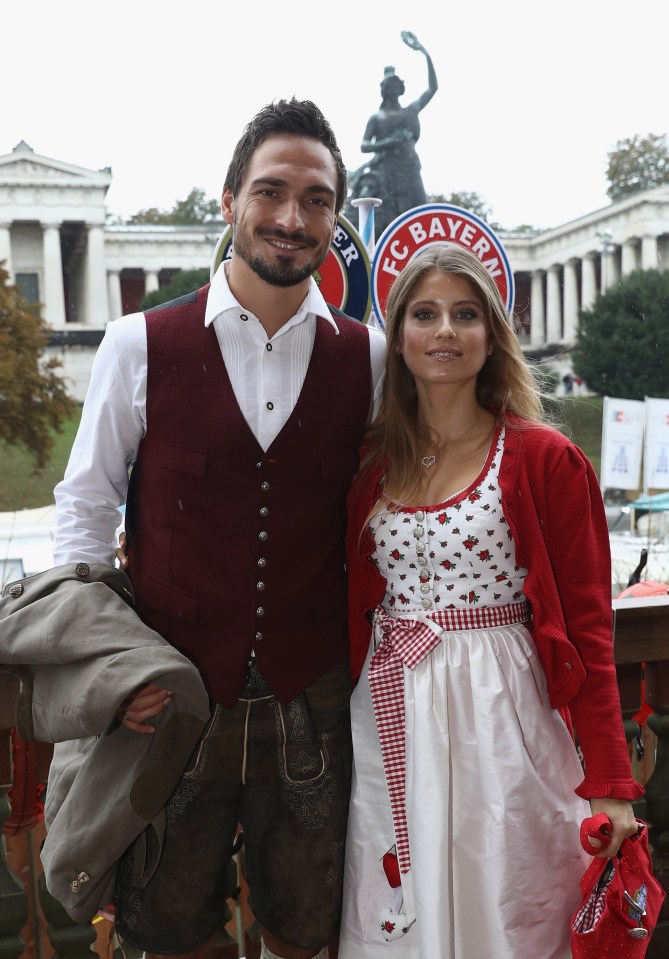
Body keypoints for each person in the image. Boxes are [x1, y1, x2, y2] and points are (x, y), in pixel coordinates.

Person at [53, 98, 386, 959]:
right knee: (168, 937)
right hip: (169, 701)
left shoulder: (372, 360)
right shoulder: (136, 345)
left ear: (333, 219)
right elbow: (85, 514)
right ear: (230, 196)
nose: (290, 217)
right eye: (271, 191)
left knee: (306, 935)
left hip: (311, 701)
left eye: (316, 200)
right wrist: (106, 672)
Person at [338, 244, 641, 958]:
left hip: (502, 715)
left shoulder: (543, 458)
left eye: (464, 314)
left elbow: (591, 631)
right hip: (390, 713)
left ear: (490, 334)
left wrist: (609, 782)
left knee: (508, 904)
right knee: (396, 909)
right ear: (399, 336)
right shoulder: (369, 463)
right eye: (425, 313)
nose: (444, 330)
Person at [347, 31, 437, 235]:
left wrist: (424, 52)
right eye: (390, 85)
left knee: (420, 212)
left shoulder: (411, 110)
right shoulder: (377, 117)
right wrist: (389, 141)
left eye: (397, 85)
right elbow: (364, 145)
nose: (394, 88)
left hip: (410, 167)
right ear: (385, 89)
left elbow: (432, 88)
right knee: (391, 218)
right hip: (387, 170)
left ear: (401, 88)